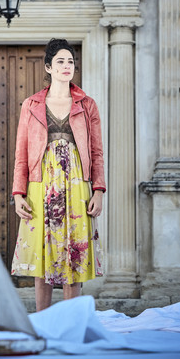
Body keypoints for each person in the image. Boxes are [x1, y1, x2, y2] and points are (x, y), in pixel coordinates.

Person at [11, 38, 106, 311]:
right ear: (48, 67)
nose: (67, 66)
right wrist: (18, 194)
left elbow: (97, 152)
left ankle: (70, 323)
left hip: (77, 185)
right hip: (41, 184)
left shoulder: (87, 105)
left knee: (74, 255)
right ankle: (43, 321)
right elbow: (21, 153)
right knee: (43, 256)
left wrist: (98, 190)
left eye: (71, 61)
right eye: (60, 61)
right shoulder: (31, 104)